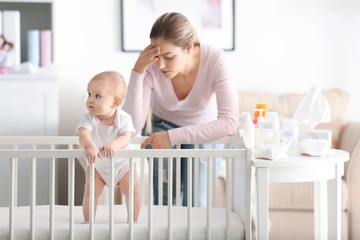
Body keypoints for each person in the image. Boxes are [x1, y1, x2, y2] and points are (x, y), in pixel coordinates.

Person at [123, 12, 238, 207]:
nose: (160, 65)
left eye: (168, 57)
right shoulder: (151, 67)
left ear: (188, 48)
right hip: (162, 126)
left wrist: (174, 136)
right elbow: (132, 127)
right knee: (166, 202)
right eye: (157, 56)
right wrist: (137, 72)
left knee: (197, 203)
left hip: (205, 130)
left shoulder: (215, 59)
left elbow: (229, 122)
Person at [78, 71, 140, 223]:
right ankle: (88, 221)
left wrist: (114, 144)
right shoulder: (89, 117)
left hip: (123, 166)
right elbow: (83, 134)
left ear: (115, 103)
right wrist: (90, 146)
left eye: (97, 96)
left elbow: (126, 137)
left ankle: (133, 220)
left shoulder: (124, 118)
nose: (90, 100)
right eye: (89, 94)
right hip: (98, 166)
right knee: (89, 191)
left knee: (133, 191)